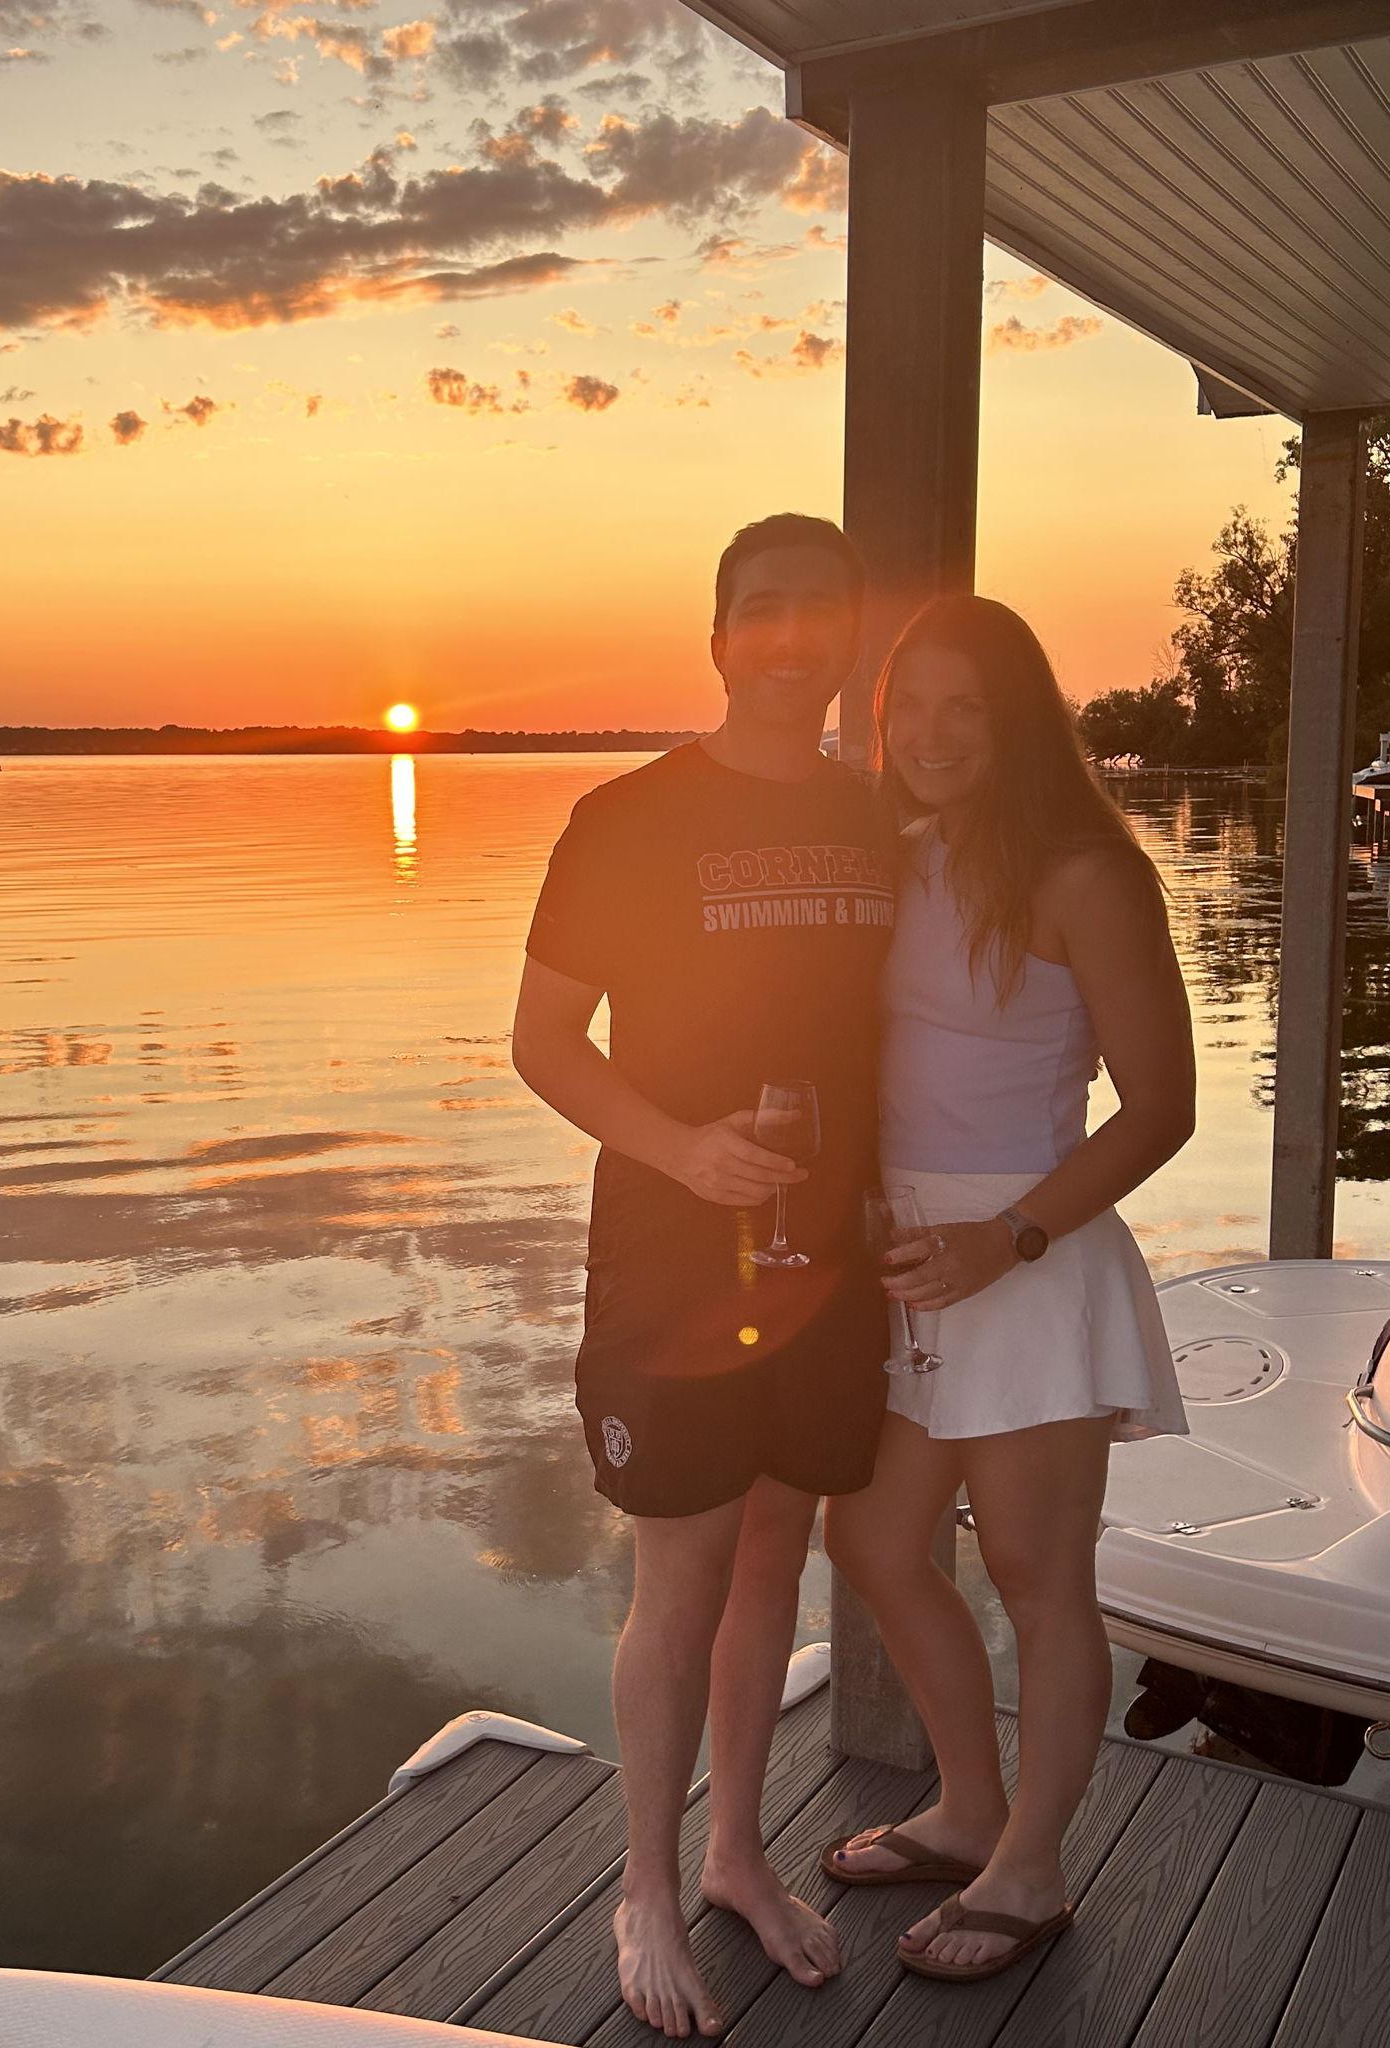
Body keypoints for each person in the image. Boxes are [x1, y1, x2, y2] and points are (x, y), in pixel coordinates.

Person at [512, 514, 896, 2040]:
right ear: (721, 637)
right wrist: (682, 1149)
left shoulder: (878, 823)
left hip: (829, 1264)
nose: (791, 634)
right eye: (764, 609)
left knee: (774, 1554)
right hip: (677, 1257)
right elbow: (544, 1046)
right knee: (675, 1580)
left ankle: (738, 1851)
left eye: (820, 610)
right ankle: (647, 1890)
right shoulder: (625, 817)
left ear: (846, 638)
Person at [819, 594, 1194, 1983]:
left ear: (1020, 719)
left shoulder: (1085, 872)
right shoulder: (899, 856)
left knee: (1040, 1580)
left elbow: (1162, 1107)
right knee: (870, 1542)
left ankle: (1030, 1871)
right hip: (912, 1257)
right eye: (908, 706)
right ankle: (970, 1805)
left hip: (1028, 1260)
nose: (928, 735)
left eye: (964, 708)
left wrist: (1010, 1239)